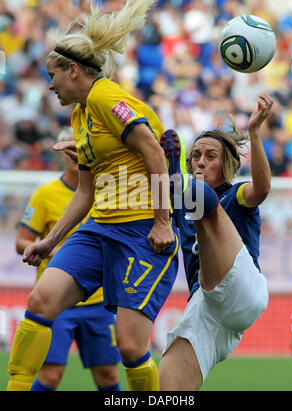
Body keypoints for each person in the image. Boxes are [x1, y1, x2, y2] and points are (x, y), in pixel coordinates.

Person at [7, 0, 180, 392]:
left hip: (140, 234)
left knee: (132, 346)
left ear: (73, 70)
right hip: (99, 228)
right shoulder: (79, 114)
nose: (50, 86)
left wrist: (162, 222)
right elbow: (85, 191)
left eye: (53, 76)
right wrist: (49, 241)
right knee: (39, 303)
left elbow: (155, 150)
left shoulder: (105, 98)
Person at [158, 94, 273, 390]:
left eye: (210, 156)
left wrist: (255, 132)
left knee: (201, 200)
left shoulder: (234, 195)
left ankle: (172, 178)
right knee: (167, 387)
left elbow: (262, 188)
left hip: (241, 287)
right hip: (207, 304)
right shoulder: (178, 204)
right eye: (195, 155)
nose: (200, 161)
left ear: (226, 165)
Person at [16, 126, 121, 391]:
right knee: (50, 375)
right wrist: (53, 251)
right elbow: (22, 241)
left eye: (82, 145)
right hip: (57, 301)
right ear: (63, 153)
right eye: (71, 146)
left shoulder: (107, 192)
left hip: (100, 301)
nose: (77, 152)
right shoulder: (45, 194)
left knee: (108, 375)